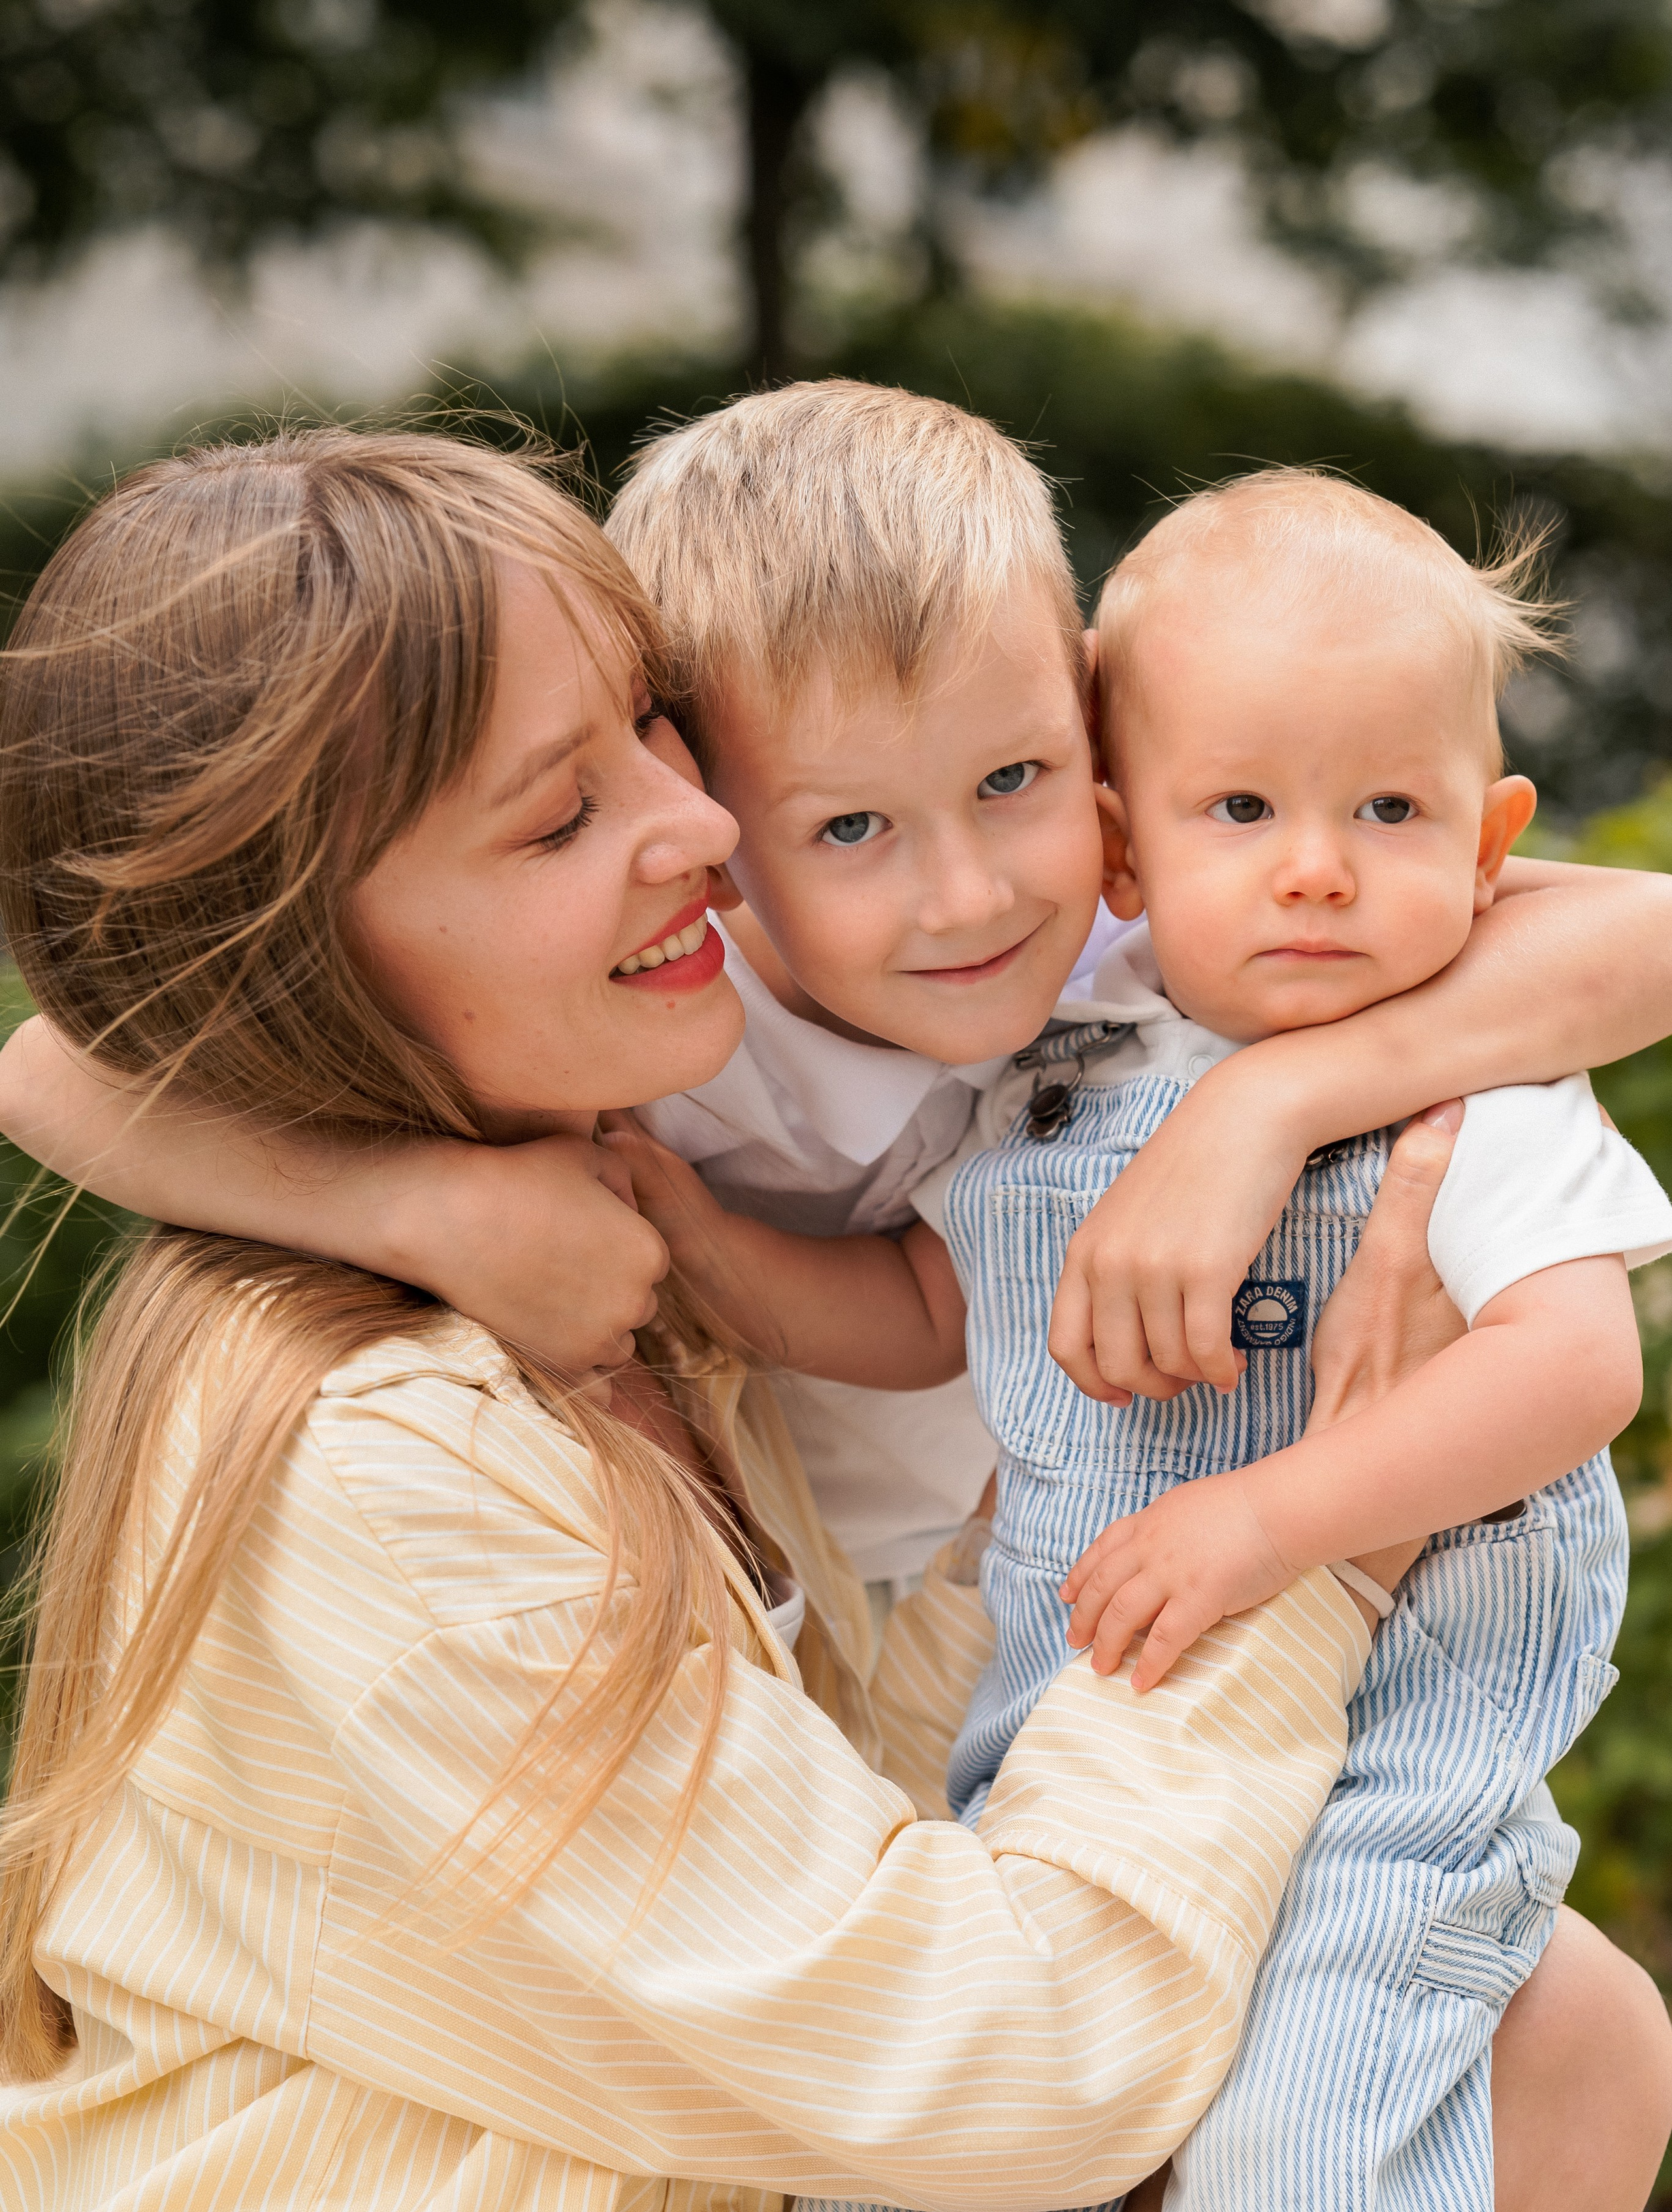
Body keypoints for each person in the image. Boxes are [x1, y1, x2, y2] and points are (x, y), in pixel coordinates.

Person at [0, 417, 1668, 2212]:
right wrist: (1332, 1525)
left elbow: (1591, 920)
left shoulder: (686, 1194)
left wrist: (1278, 1105)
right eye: (561, 814)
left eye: (653, 737)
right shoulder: (398, 1451)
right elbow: (1009, 2056)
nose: (695, 824)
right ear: (318, 956)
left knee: (1559, 2027)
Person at [12, 385, 1672, 1601]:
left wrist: (1265, 1103)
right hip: (817, 1637)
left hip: (1092, 1587)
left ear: (1103, 760)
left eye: (1015, 777)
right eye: (851, 826)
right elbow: (51, 1072)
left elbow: (1636, 938)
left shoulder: (1137, 931)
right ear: (720, 833)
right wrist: (425, 1206)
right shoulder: (664, 1015)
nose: (966, 894)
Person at [698, 473, 1672, 2212]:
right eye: (1246, 814)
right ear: (1131, 850)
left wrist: (1271, 1519)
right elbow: (924, 1306)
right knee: (969, 2064)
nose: (1319, 874)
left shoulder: (1475, 1071)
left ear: (1494, 845)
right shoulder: (1054, 1048)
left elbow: (1575, 1365)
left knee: (1317, 2111)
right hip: (1079, 1731)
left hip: (1385, 1770)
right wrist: (674, 1249)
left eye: (1390, 816)